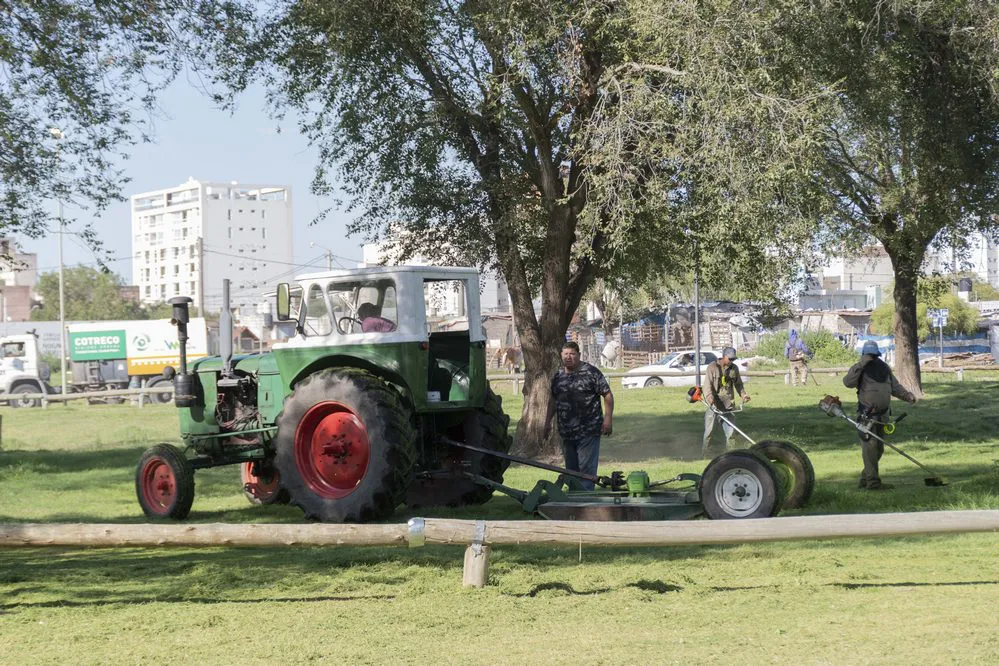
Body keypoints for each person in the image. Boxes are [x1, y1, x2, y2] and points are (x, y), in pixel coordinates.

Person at [843, 340, 917, 490]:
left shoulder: (884, 368)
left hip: (883, 416)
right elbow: (848, 382)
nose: (872, 358)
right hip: (867, 416)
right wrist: (861, 364)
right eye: (869, 356)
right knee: (870, 448)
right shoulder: (860, 369)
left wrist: (908, 396)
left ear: (878, 355)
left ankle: (866, 479)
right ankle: (873, 483)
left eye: (874, 356)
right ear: (864, 355)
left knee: (878, 449)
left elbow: (895, 387)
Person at [544, 341, 614, 490]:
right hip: (566, 432)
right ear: (561, 355)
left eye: (572, 354)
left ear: (579, 355)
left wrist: (608, 419)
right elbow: (553, 401)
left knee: (586, 472)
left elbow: (607, 395)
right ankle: (573, 499)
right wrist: (547, 423)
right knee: (571, 472)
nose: (568, 357)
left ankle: (586, 499)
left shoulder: (591, 372)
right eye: (566, 354)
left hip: (588, 431)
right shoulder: (558, 376)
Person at [701, 347, 750, 457]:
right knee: (709, 432)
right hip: (714, 403)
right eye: (730, 359)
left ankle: (731, 454)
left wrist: (743, 395)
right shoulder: (712, 367)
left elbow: (738, 384)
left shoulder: (734, 368)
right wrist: (710, 398)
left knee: (731, 432)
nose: (732, 361)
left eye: (733, 359)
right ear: (724, 356)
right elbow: (707, 386)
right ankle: (706, 453)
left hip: (728, 403)